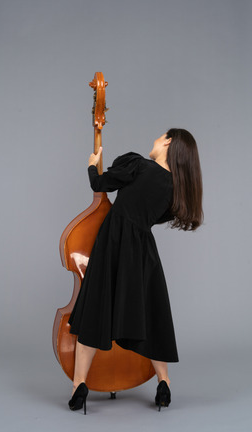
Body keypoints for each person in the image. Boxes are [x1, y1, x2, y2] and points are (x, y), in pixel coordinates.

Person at [67, 128, 203, 414]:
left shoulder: (138, 165)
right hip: (143, 252)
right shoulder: (175, 190)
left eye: (159, 136)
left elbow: (100, 184)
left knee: (95, 309)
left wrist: (92, 164)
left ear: (168, 142)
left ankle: (79, 384)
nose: (154, 140)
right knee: (151, 314)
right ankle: (163, 383)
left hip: (113, 244)